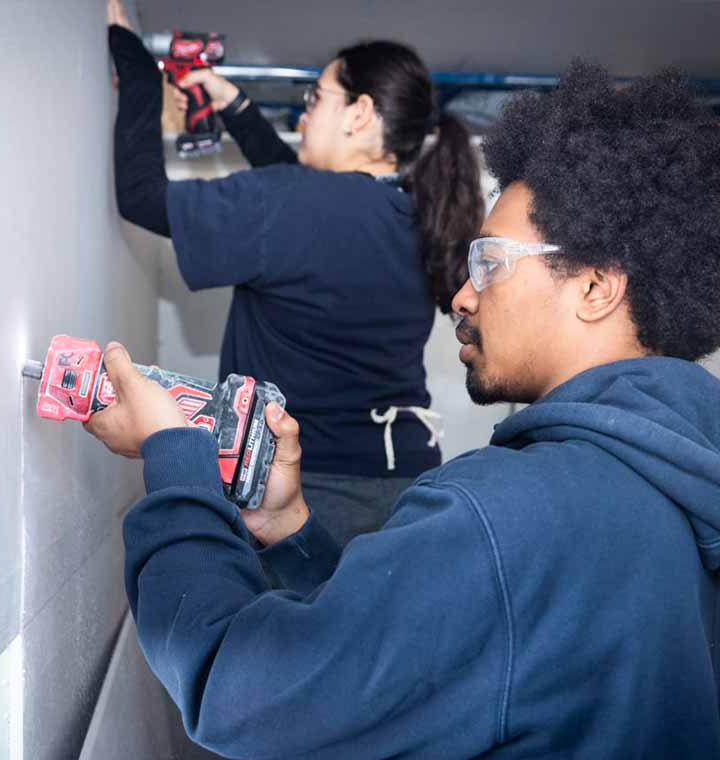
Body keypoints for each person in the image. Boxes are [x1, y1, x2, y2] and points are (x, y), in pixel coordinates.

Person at [88, 60, 720, 759]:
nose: (461, 297)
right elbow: (440, 645)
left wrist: (176, 462)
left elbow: (236, 687)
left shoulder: (509, 515)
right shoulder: (673, 488)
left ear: (597, 287)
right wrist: (292, 529)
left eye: (491, 263)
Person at [106, 0, 484, 547]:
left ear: (358, 114)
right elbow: (299, 208)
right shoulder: (414, 212)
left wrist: (138, 68)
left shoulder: (293, 204)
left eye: (316, 98)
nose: (303, 115)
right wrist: (235, 105)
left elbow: (143, 197)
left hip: (301, 491)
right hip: (402, 487)